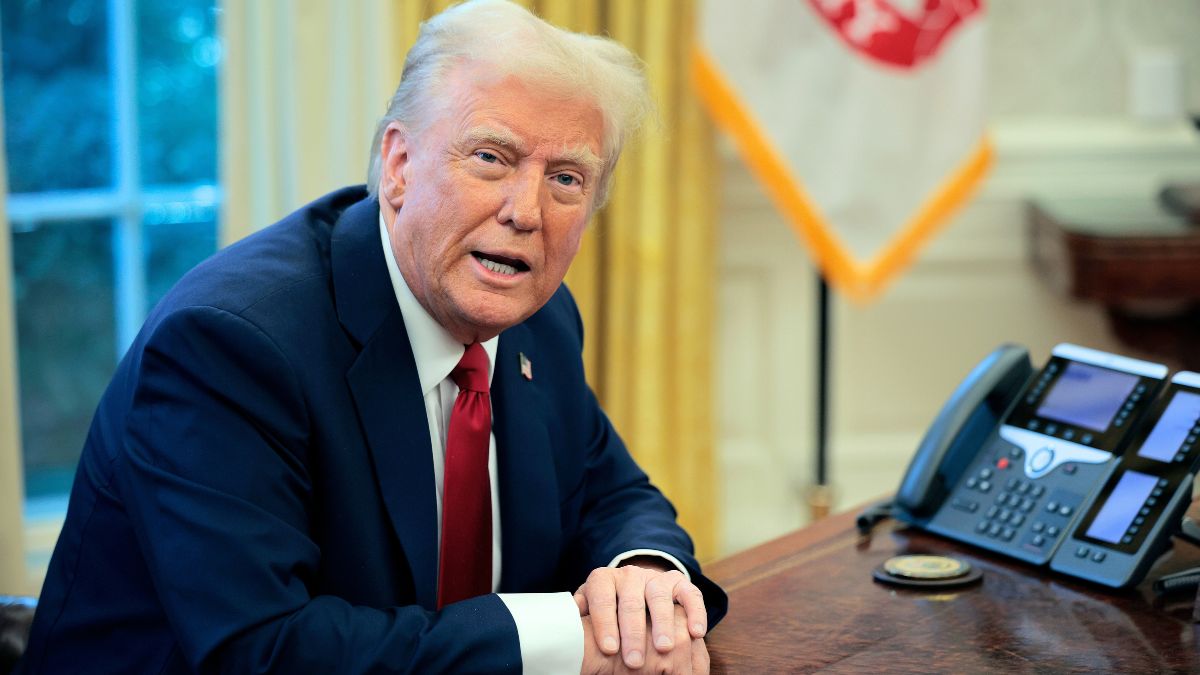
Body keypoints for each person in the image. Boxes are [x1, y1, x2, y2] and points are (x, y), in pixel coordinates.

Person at [18, 1, 727, 673]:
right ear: (397, 165)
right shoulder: (229, 346)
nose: (525, 212)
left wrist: (644, 575)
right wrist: (561, 637)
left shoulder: (538, 317)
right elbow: (265, 651)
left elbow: (611, 492)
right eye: (491, 157)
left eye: (566, 178)